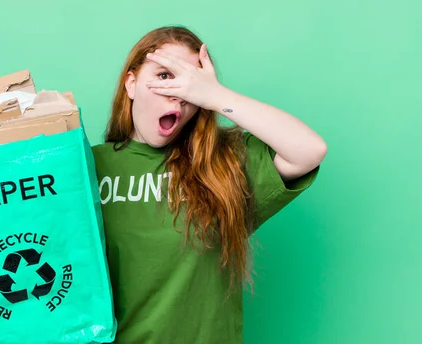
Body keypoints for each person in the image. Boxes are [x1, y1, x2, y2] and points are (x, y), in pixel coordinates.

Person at [91, 25, 327, 344]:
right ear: (131, 83)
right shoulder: (89, 169)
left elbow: (309, 150)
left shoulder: (222, 164)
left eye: (190, 81)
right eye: (164, 75)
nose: (178, 92)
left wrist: (216, 96)